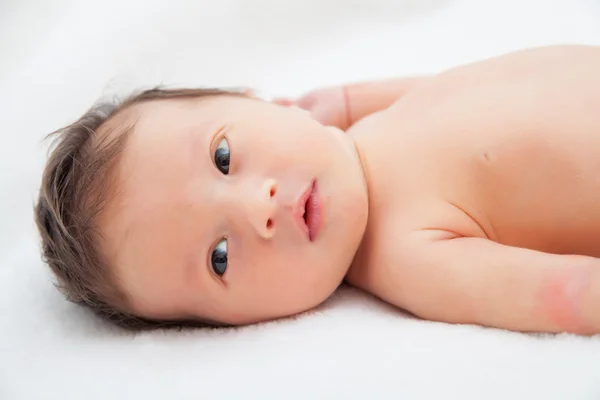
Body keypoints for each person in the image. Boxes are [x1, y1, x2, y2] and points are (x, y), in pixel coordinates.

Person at [35, 45, 600, 334]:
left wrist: (348, 100)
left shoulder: (367, 127)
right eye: (220, 258)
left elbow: (458, 85)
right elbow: (564, 296)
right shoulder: (405, 255)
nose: (259, 207)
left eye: (224, 157)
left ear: (256, 100)